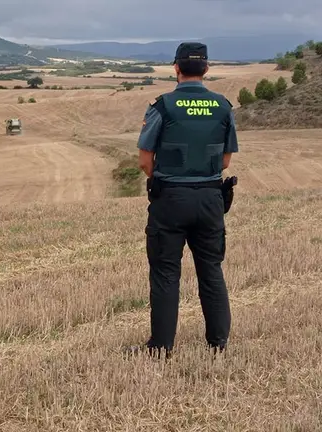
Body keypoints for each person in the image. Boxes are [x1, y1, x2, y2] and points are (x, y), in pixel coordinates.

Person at [132, 42, 238, 360]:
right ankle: (218, 343)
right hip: (210, 199)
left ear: (176, 68)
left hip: (170, 200)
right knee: (211, 270)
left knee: (165, 273)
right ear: (206, 69)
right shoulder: (223, 107)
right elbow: (225, 162)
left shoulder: (162, 106)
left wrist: (164, 180)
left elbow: (144, 160)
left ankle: (162, 347)